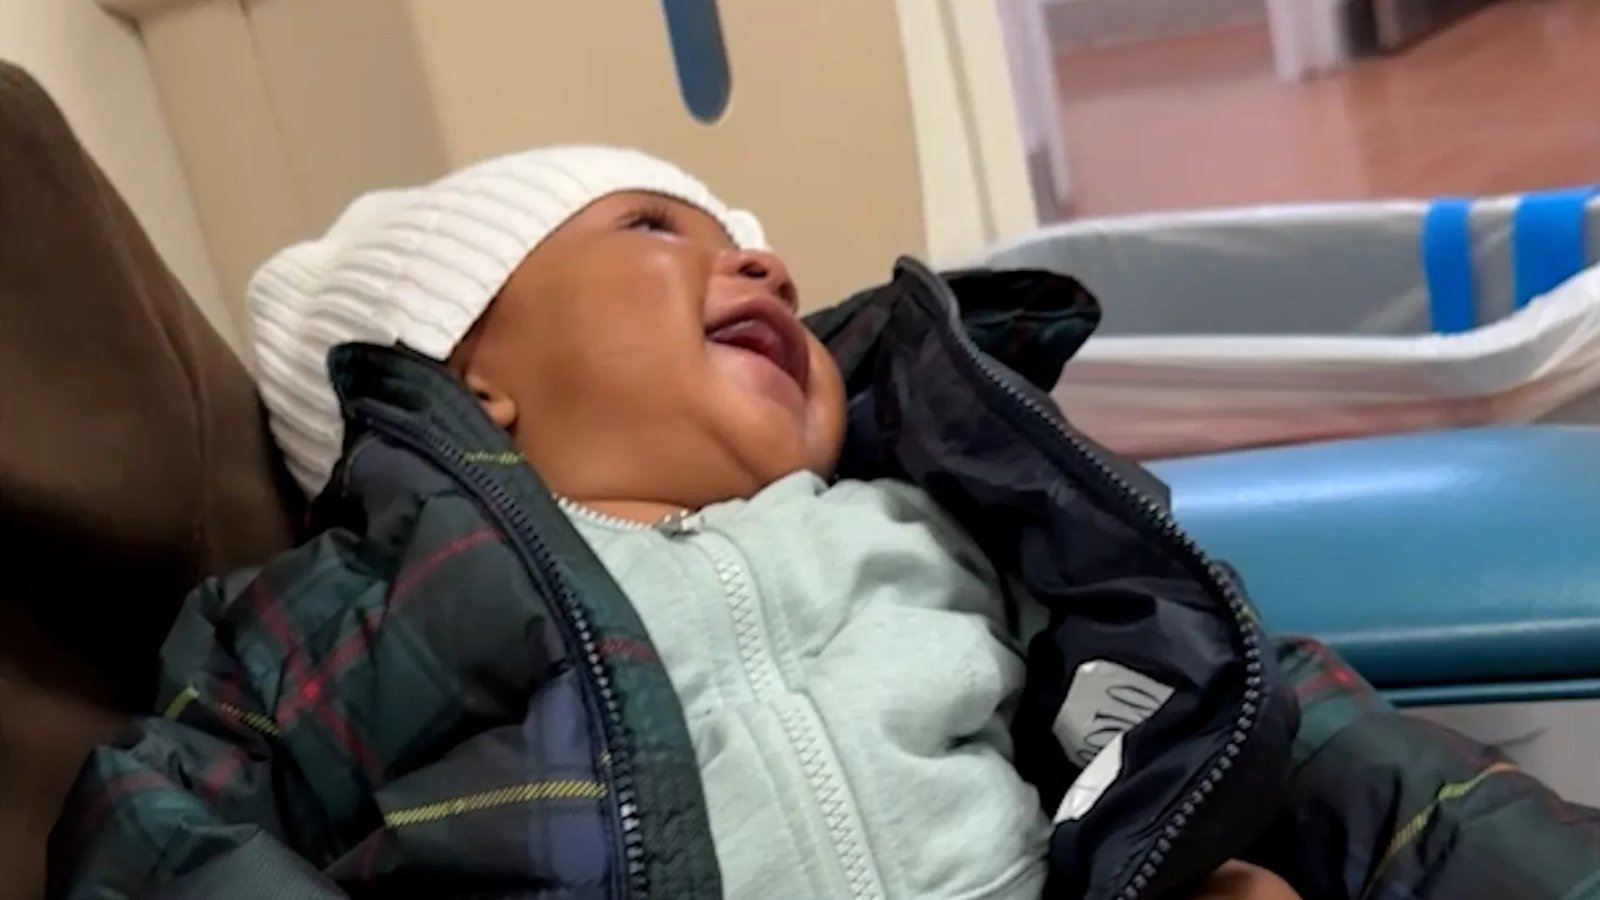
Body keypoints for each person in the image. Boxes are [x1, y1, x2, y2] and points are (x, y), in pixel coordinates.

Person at [47, 148, 1600, 900]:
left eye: (762, 249)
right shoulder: (342, 616)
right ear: (472, 373)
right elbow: (163, 838)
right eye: (660, 228)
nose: (771, 268)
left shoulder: (940, 524)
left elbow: (1292, 727)